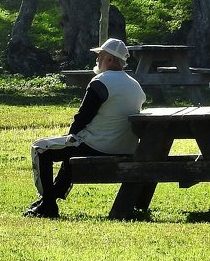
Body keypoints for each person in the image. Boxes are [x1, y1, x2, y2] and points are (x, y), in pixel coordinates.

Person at [24, 38, 146, 218]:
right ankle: (49, 200)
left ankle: (48, 203)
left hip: (99, 145)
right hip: (125, 146)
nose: (97, 59)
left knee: (40, 148)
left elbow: (82, 117)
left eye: (100, 55)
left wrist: (71, 135)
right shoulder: (135, 85)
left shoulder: (101, 81)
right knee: (69, 149)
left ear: (110, 59)